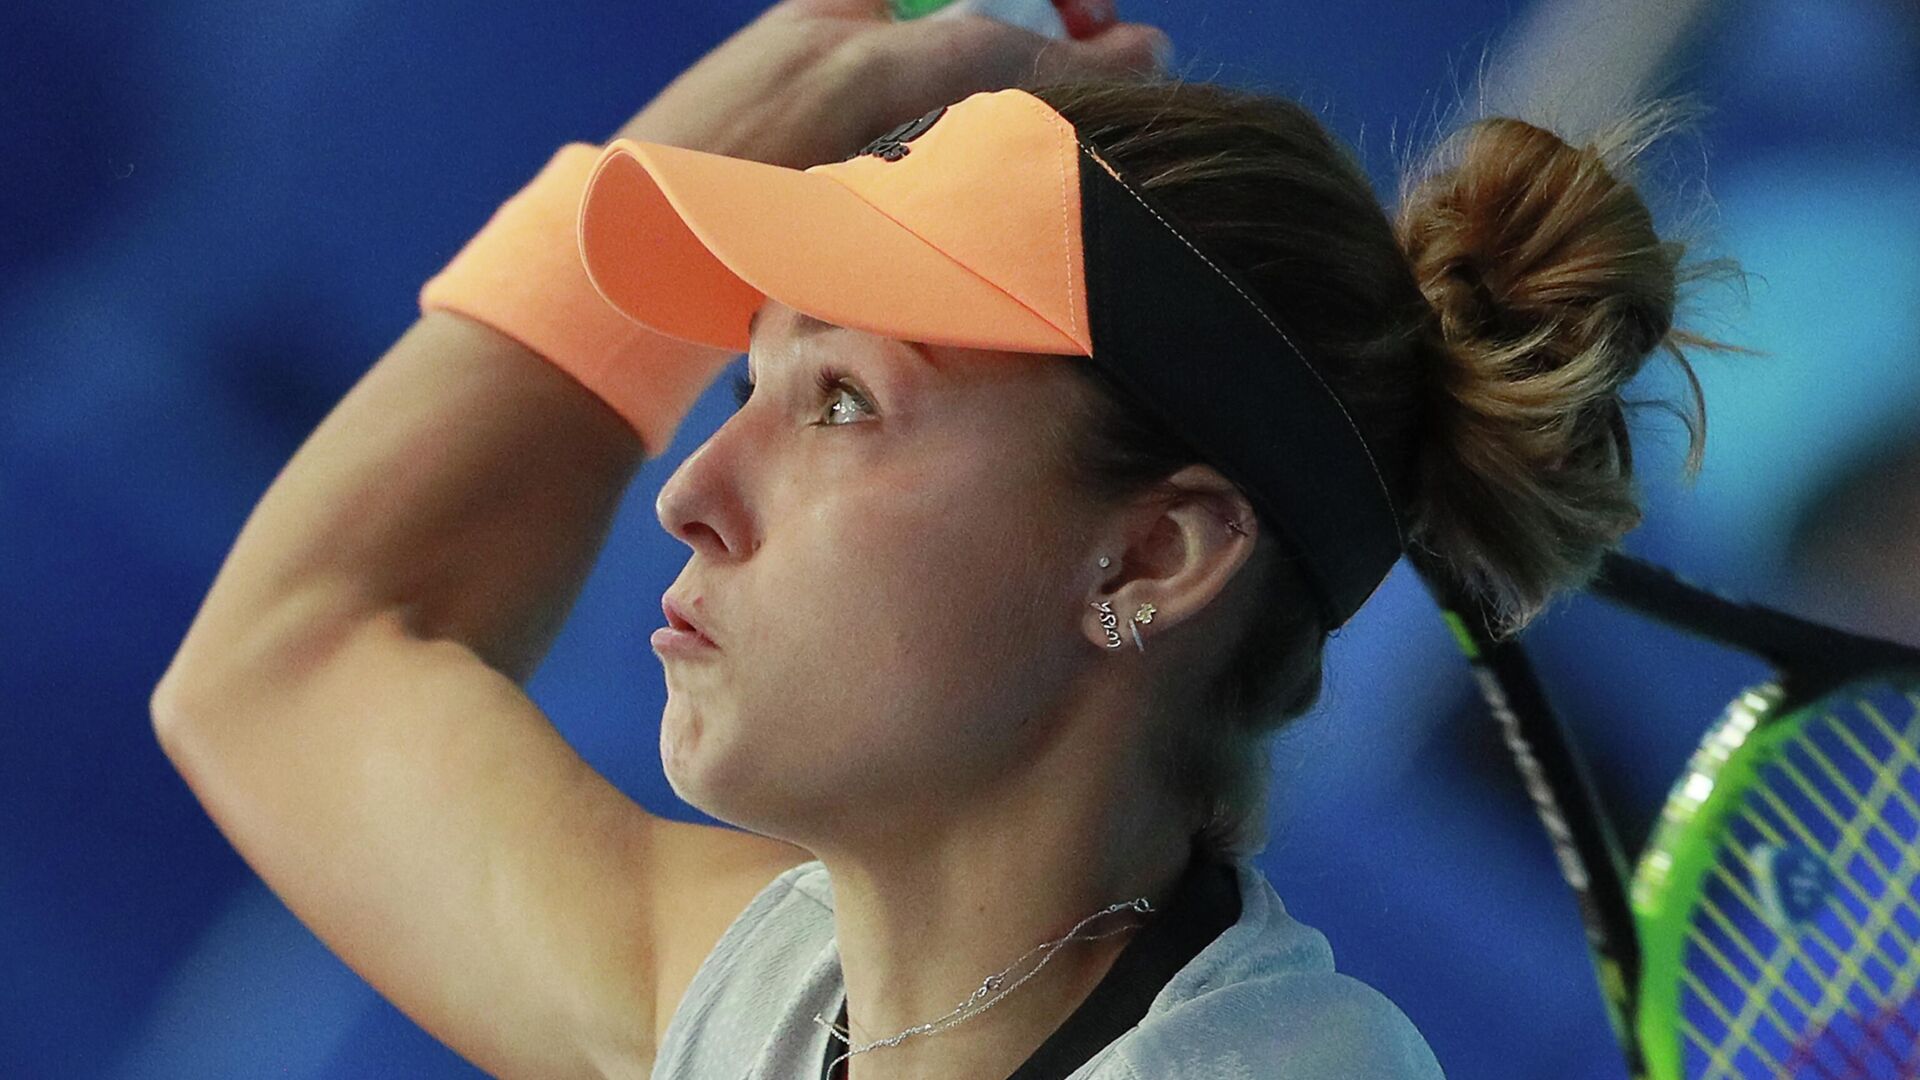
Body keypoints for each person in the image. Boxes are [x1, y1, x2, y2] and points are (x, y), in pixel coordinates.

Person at [149, 1, 1728, 1077]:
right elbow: (294, 660)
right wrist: (786, 92)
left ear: (1158, 555)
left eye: (842, 402)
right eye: (750, 385)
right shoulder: (778, 1006)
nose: (691, 492)